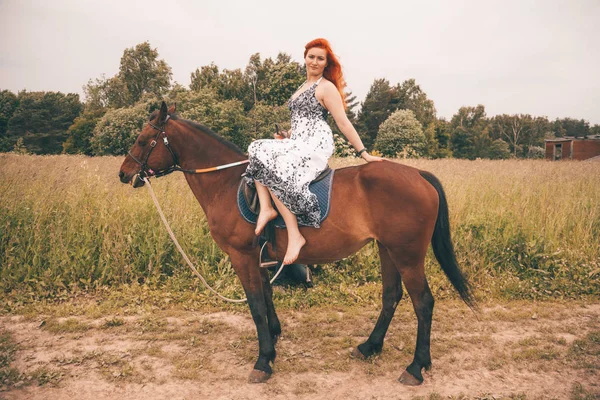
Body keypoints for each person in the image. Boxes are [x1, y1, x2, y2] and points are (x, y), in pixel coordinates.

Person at [244, 38, 383, 265]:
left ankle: (294, 234)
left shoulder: (326, 87)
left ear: (326, 63)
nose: (315, 62)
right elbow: (301, 122)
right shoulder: (302, 87)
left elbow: (343, 123)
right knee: (258, 150)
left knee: (267, 157)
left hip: (315, 143)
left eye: (320, 58)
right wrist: (287, 136)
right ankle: (267, 208)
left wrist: (364, 153)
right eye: (312, 57)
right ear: (305, 58)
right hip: (298, 140)